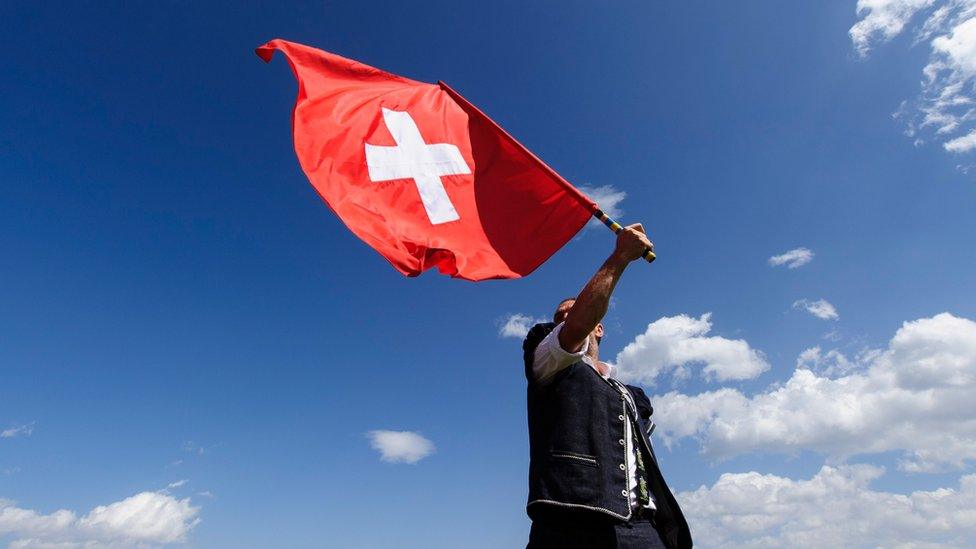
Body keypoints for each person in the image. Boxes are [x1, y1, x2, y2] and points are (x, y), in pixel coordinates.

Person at [522, 223, 692, 549]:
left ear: (599, 329)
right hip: (572, 524)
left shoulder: (630, 393)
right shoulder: (546, 359)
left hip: (645, 528)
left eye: (571, 313)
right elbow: (575, 329)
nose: (564, 320)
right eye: (560, 317)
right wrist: (620, 257)